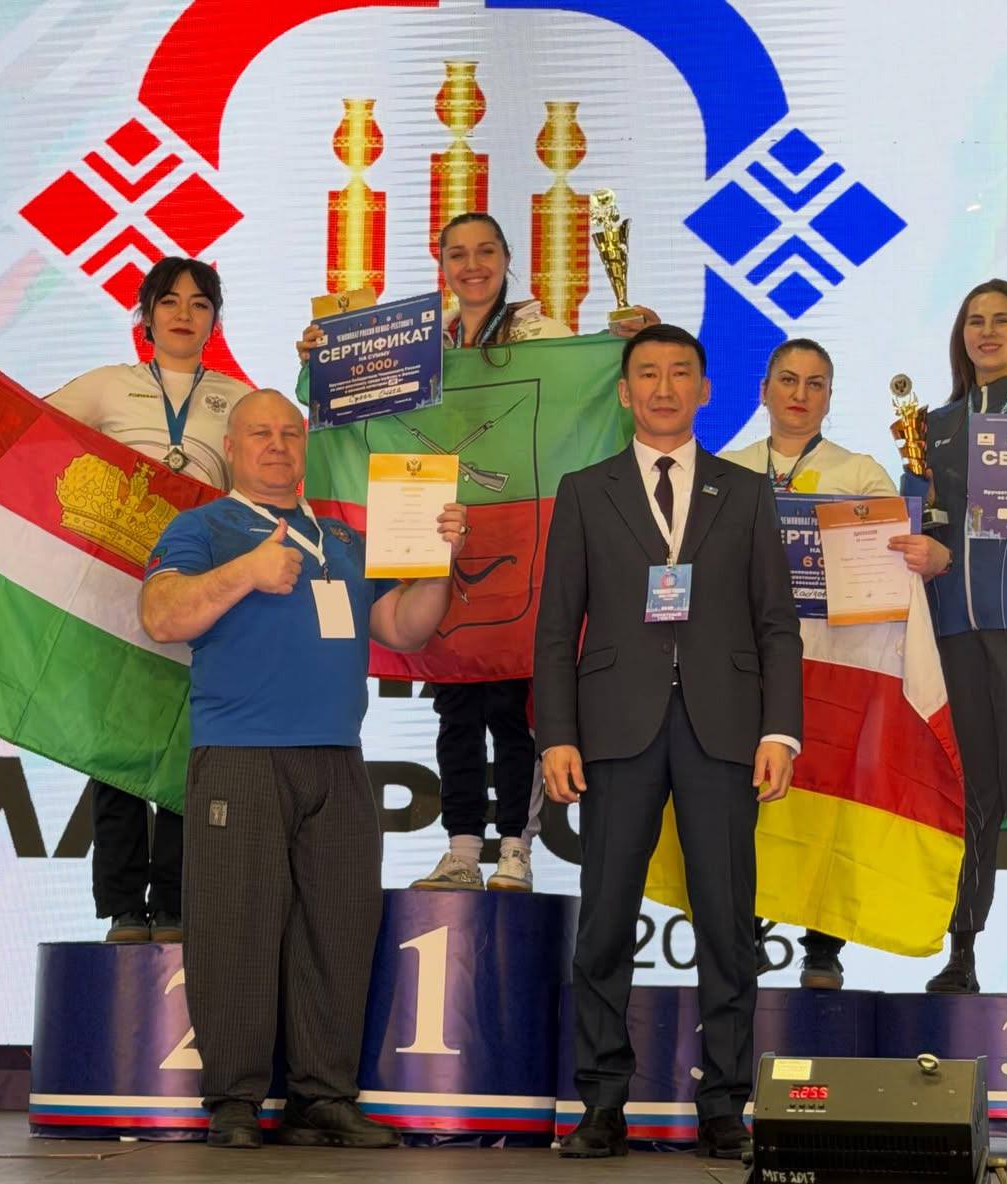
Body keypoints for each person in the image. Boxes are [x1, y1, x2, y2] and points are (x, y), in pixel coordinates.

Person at [140, 389, 468, 1149]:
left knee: (338, 929)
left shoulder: (344, 539)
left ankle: (323, 1096)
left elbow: (402, 628)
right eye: (260, 432)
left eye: (291, 432)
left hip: (338, 759)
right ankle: (233, 1100)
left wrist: (438, 567)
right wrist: (245, 572)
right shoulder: (203, 528)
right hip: (240, 755)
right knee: (235, 927)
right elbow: (159, 615)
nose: (278, 445)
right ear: (231, 446)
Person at [297, 211, 658, 896]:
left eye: (486, 251)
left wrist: (631, 347)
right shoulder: (415, 342)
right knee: (456, 705)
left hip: (518, 538)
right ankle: (461, 849)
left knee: (515, 699)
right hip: (435, 536)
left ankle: (516, 849)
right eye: (457, 254)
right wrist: (322, 358)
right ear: (441, 265)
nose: (472, 265)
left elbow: (594, 395)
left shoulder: (543, 337)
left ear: (507, 258)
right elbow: (345, 403)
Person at [535, 323, 802, 1161]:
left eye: (679, 373)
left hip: (726, 730)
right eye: (646, 373)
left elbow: (777, 624)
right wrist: (557, 736)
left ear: (705, 390)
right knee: (605, 922)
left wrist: (780, 730)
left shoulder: (745, 491)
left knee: (727, 924)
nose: (662, 387)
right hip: (616, 729)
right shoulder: (586, 490)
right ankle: (601, 1104)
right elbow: (555, 630)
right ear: (624, 392)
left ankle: (724, 1105)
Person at [47, 256, 251, 943]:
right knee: (118, 751)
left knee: (188, 748)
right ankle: (123, 908)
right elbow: (30, 427)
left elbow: (276, 471)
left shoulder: (237, 400)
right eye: (169, 301)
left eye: (200, 303)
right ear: (146, 315)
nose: (184, 314)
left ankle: (175, 903)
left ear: (215, 320)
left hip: (199, 598)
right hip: (115, 596)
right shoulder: (109, 385)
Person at [888, 279, 1007, 995]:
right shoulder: (931, 426)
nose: (987, 332)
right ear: (960, 336)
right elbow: (918, 521)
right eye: (975, 321)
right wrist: (922, 535)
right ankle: (960, 951)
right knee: (967, 793)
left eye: (1002, 320)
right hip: (951, 628)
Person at [722, 338, 896, 990]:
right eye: (788, 380)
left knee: (825, 801)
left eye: (815, 383)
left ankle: (823, 947)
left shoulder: (861, 474)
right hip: (743, 663)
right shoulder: (727, 469)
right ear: (764, 390)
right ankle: (740, 936)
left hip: (833, 664)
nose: (800, 394)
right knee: (742, 802)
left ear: (829, 396)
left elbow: (887, 573)